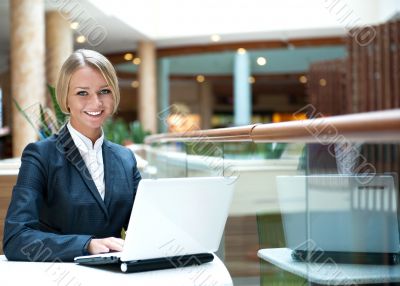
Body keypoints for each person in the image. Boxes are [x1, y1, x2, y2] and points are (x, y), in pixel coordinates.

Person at [3, 49, 141, 262]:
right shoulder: (40, 156)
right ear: (65, 99)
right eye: (82, 93)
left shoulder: (125, 159)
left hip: (116, 276)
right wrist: (86, 245)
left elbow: (144, 225)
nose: (96, 102)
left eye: (104, 91)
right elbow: (16, 239)